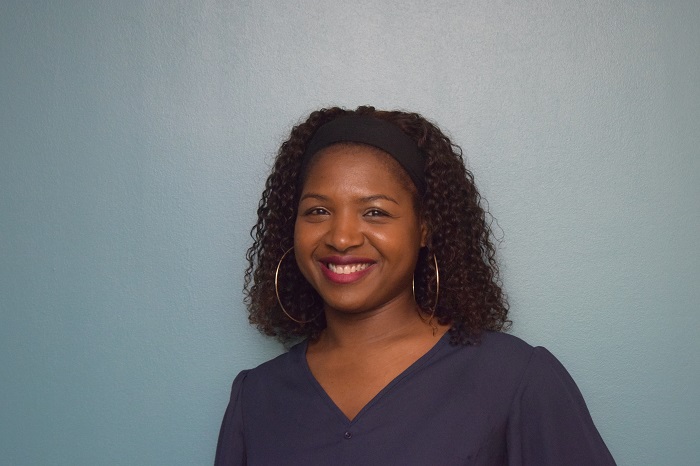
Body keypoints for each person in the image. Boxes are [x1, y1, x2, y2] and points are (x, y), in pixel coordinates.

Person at [215, 106, 616, 465]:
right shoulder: (256, 398)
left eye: (375, 212)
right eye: (318, 210)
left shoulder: (515, 379)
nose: (341, 238)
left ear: (425, 227)